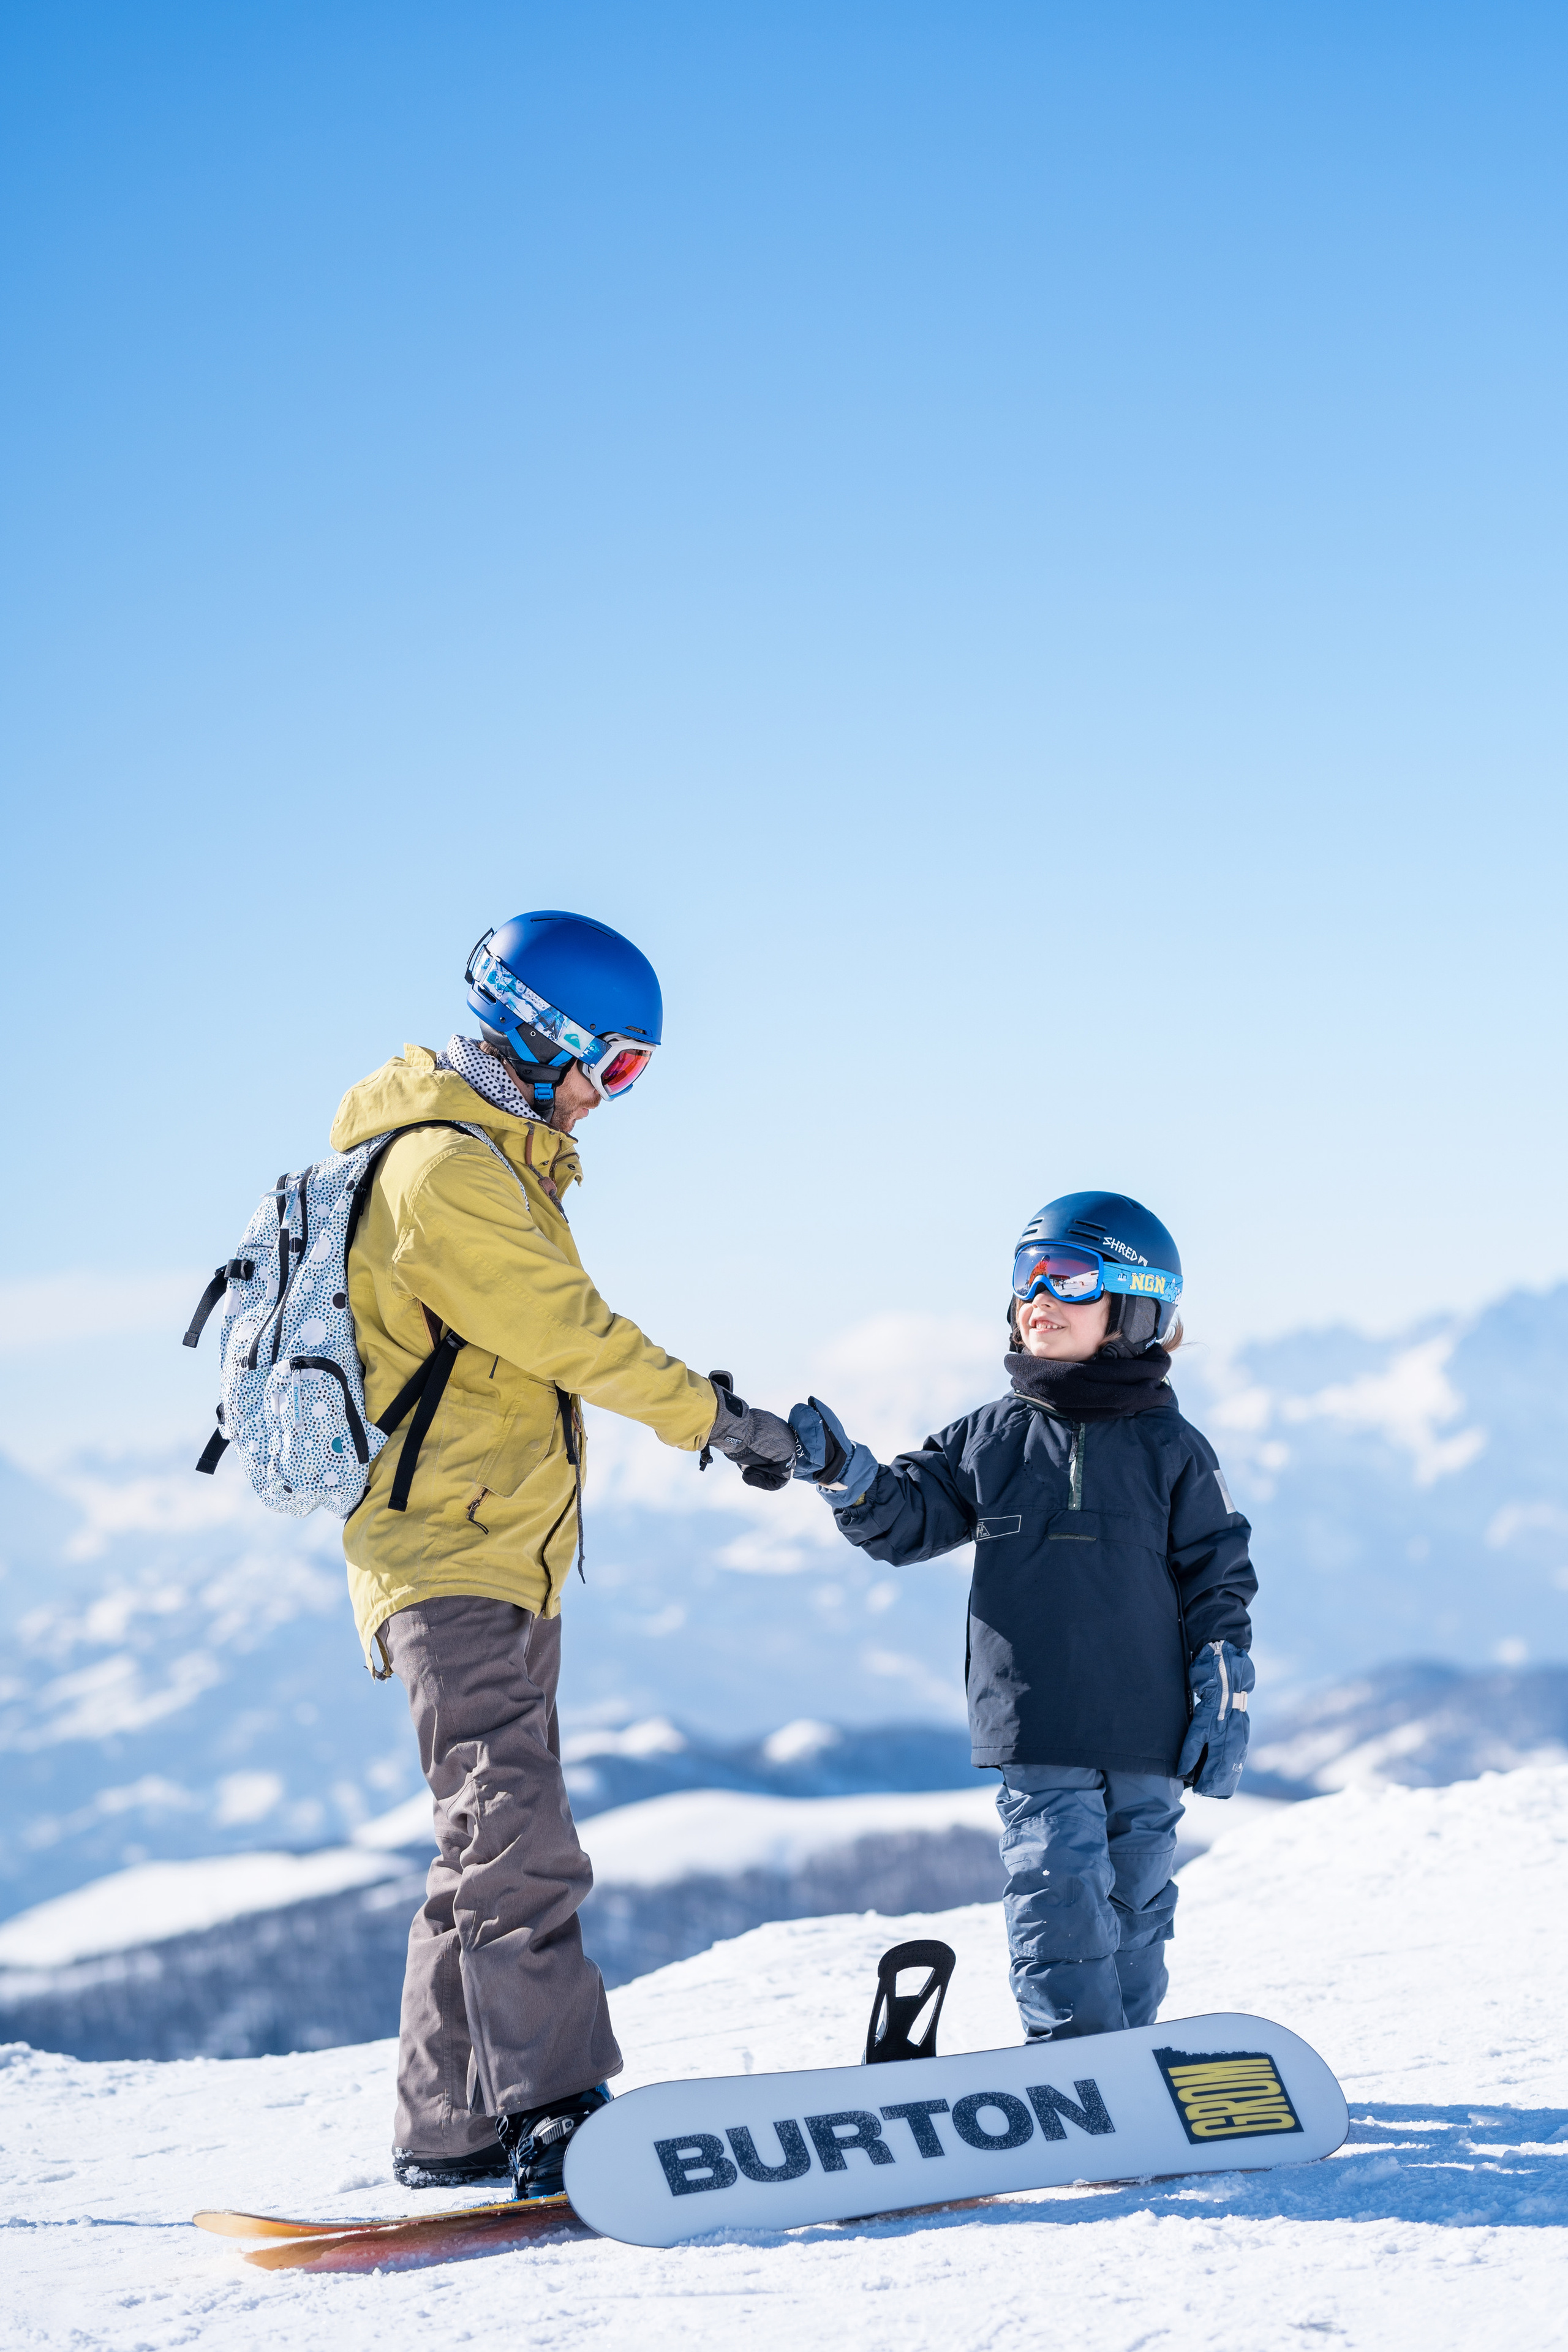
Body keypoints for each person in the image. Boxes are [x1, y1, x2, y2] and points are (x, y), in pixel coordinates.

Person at [330, 910, 795, 2195]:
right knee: (516, 1837)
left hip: (490, 1546)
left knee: (479, 1834)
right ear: (543, 1038)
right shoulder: (448, 1175)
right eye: (618, 1066)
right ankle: (555, 2112)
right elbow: (569, 1333)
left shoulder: (491, 1159)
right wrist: (718, 1418)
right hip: (452, 1553)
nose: (614, 1098)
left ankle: (450, 2122)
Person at [785, 1191, 1256, 2043]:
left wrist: (1223, 1688)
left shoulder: (1172, 1451)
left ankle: (1127, 2066)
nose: (1039, 1296)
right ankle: (1074, 2061)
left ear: (1135, 1305)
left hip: (1148, 1723)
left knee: (1138, 1902)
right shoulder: (991, 1438)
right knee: (1056, 1884)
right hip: (1035, 1720)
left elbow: (1219, 1576)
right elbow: (905, 1515)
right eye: (1025, 1276)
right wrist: (843, 1475)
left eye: (1069, 1277)